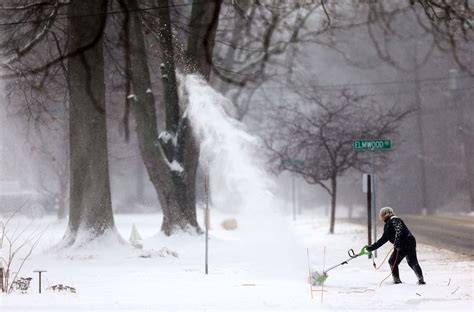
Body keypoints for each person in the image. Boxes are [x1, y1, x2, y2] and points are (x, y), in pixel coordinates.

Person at [366, 207, 426, 285]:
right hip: (408, 242)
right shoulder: (388, 224)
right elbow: (383, 239)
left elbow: (399, 230)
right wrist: (372, 247)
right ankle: (420, 280)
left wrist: (397, 242)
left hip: (405, 243)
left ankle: (397, 281)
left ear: (383, 215)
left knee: (394, 261)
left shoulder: (395, 220)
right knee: (411, 262)